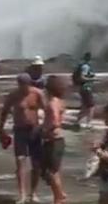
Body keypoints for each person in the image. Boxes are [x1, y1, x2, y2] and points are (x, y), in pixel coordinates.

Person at [0, 73, 46, 204]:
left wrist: (45, 128)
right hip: (19, 131)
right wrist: (0, 130)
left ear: (29, 83)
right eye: (20, 85)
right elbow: (4, 112)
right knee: (20, 161)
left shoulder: (37, 94)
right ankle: (22, 195)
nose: (23, 88)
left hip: (35, 130)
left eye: (25, 85)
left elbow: (47, 111)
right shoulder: (14, 95)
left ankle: (33, 193)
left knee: (36, 163)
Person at [41, 75, 67, 204]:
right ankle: (60, 194)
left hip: (54, 139)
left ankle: (59, 197)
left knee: (52, 172)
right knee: (51, 171)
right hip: (57, 139)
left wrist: (44, 131)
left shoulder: (52, 102)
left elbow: (55, 121)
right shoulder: (59, 101)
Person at [74, 52, 96, 128]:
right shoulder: (85, 67)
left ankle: (77, 122)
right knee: (91, 106)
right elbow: (82, 77)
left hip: (83, 88)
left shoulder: (83, 66)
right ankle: (89, 123)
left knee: (84, 106)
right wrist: (93, 79)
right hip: (86, 88)